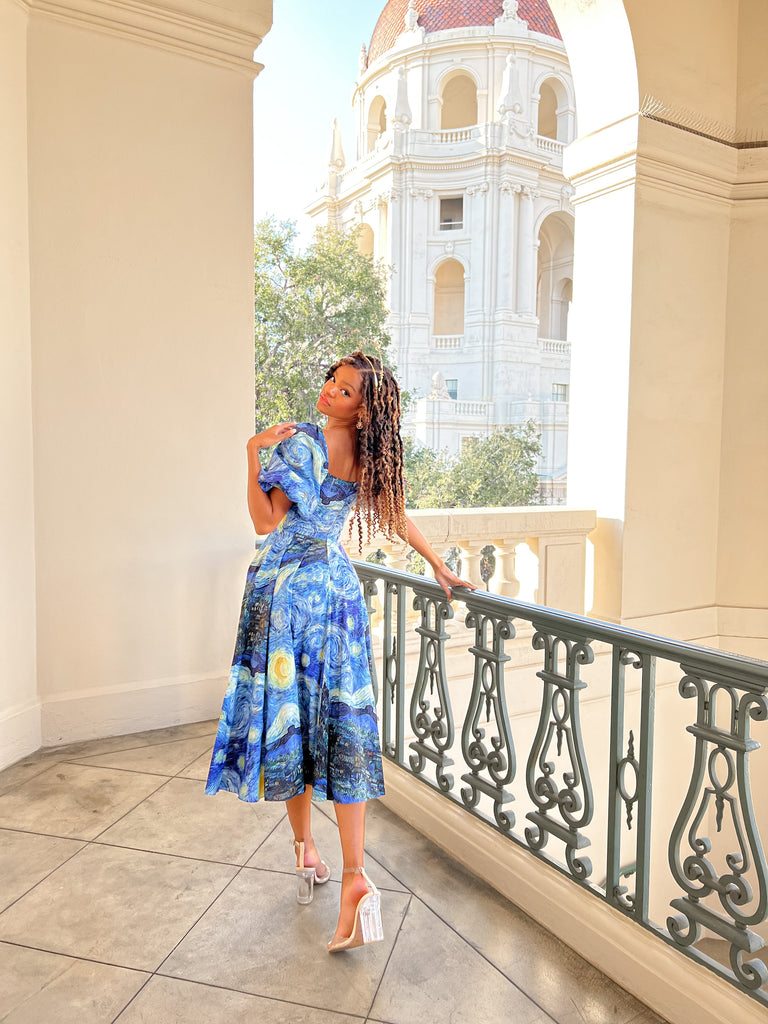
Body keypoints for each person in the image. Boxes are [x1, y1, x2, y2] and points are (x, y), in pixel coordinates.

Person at [205, 350, 473, 952]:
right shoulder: (371, 457)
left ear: (364, 409)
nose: (330, 390)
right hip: (337, 593)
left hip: (285, 594)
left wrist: (251, 451)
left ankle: (305, 850)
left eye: (346, 390)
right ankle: (353, 874)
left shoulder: (302, 442)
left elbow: (265, 521)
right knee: (342, 724)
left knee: (291, 720)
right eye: (333, 380)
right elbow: (396, 517)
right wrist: (437, 565)